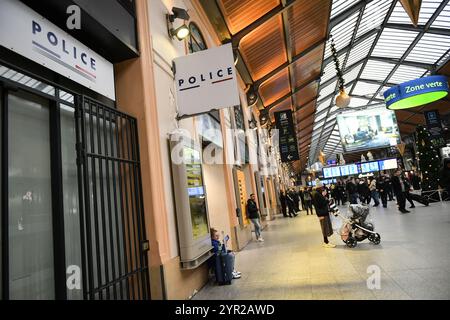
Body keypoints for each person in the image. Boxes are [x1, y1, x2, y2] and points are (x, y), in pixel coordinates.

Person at [311, 182, 336, 248]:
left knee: (325, 227)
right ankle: (326, 242)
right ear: (319, 187)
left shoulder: (316, 193)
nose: (323, 188)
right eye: (322, 187)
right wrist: (326, 199)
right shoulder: (317, 194)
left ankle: (326, 241)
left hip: (322, 212)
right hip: (322, 213)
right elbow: (322, 203)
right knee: (324, 227)